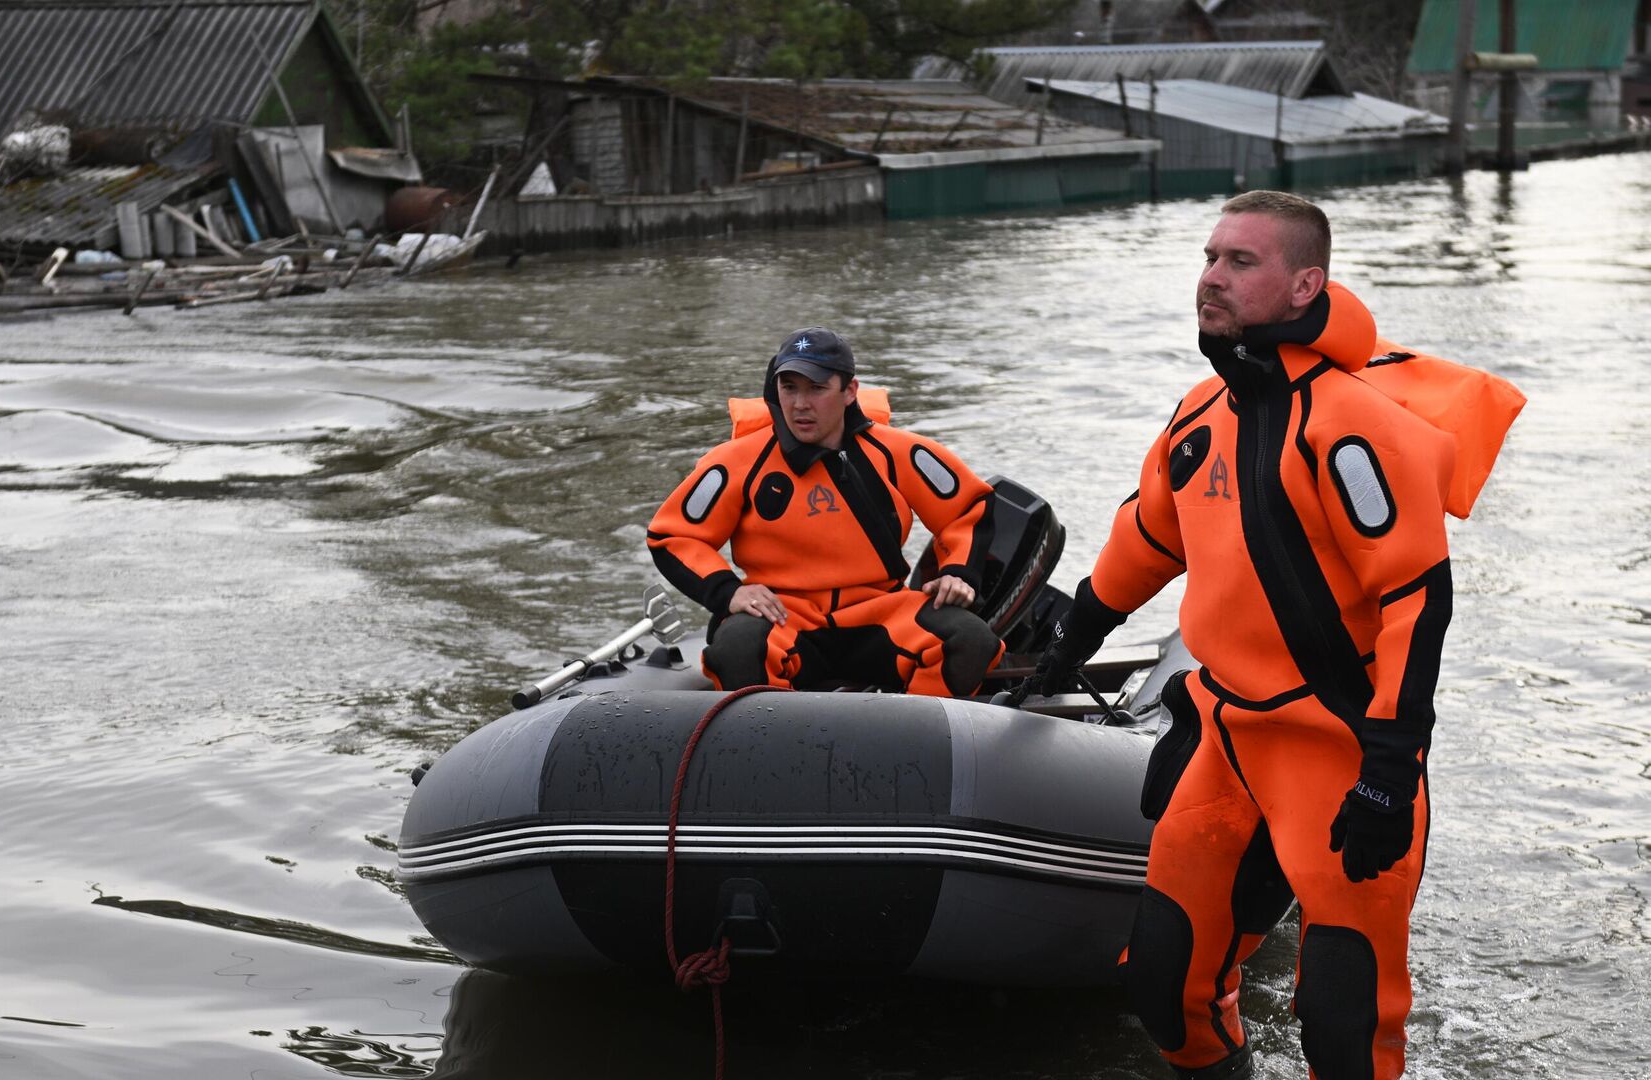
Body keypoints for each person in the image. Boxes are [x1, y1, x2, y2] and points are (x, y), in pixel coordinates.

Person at [1031, 191, 1515, 1080]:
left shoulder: (1358, 427)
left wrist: (1389, 770)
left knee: (1343, 1030)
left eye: (1240, 262)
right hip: (1223, 737)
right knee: (1164, 995)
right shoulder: (1197, 413)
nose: (1212, 278)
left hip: (1339, 751)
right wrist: (1069, 641)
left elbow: (1417, 599)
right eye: (1210, 258)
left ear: (1305, 285)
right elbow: (1149, 540)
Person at [647, 327, 1004, 697]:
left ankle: (916, 739)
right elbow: (673, 535)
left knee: (970, 640)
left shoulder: (898, 452)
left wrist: (959, 572)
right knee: (738, 648)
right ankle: (775, 746)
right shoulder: (737, 461)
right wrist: (728, 591)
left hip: (881, 611)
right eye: (789, 388)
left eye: (816, 389)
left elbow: (967, 507)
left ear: (850, 391)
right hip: (785, 615)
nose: (800, 404)